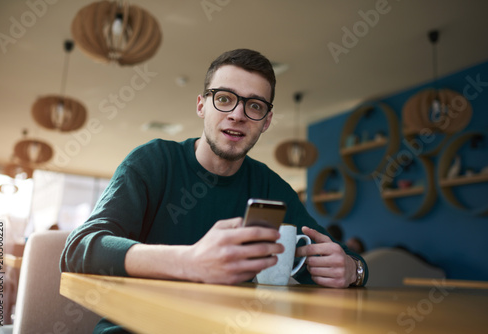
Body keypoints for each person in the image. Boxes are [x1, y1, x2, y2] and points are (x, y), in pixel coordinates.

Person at [60, 49, 368, 333]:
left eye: (255, 105)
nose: (237, 114)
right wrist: (189, 261)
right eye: (224, 99)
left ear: (266, 121)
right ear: (201, 105)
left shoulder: (271, 187)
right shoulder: (151, 162)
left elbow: (337, 258)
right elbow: (79, 249)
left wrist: (353, 270)